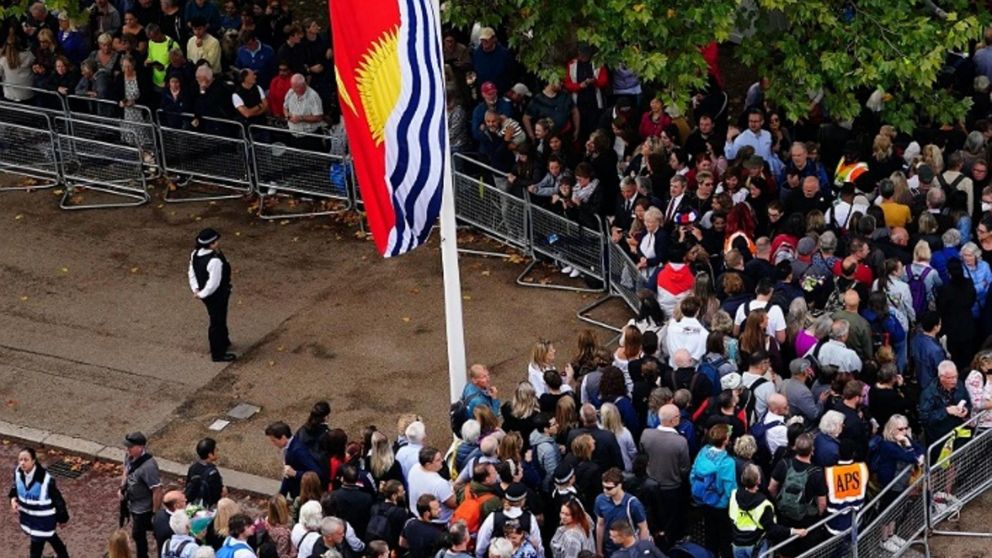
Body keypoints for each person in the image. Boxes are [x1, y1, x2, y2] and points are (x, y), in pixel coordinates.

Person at [729, 464, 802, 558]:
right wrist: (794, 531)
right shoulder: (763, 503)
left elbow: (732, 517)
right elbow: (772, 529)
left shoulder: (734, 494)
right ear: (758, 481)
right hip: (756, 546)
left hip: (737, 544)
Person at [8, 447, 70, 558]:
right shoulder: (18, 473)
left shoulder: (46, 480)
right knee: (51, 537)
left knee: (36, 547)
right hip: (29, 519)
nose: (22, 463)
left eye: (25, 460)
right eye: (20, 460)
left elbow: (58, 500)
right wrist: (13, 499)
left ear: (33, 461)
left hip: (43, 521)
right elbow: (15, 488)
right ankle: (63, 555)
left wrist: (62, 518)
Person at [188, 228, 236, 362]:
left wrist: (196, 289)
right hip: (217, 295)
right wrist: (202, 294)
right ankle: (218, 353)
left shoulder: (195, 254)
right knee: (217, 321)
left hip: (207, 293)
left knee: (219, 318)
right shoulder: (214, 261)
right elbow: (213, 283)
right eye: (216, 241)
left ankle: (224, 341)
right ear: (211, 244)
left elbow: (191, 272)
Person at [690, 424, 737, 557]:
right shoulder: (728, 462)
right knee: (725, 537)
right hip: (720, 505)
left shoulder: (703, 451)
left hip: (703, 500)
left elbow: (693, 473)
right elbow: (730, 489)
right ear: (725, 440)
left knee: (709, 533)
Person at [121, 432, 163, 558]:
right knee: (140, 532)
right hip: (133, 504)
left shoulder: (149, 466)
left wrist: (155, 513)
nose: (127, 449)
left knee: (139, 534)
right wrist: (121, 487)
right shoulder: (129, 456)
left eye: (130, 447)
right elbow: (126, 470)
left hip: (143, 508)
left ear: (140, 447)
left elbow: (157, 490)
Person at [265, 421, 324, 498]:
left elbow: (317, 474)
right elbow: (287, 474)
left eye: (274, 440)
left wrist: (295, 473)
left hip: (303, 494)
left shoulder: (298, 451)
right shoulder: (289, 447)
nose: (273, 443)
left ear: (283, 438)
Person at [406, 447, 456, 524]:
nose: (442, 461)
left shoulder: (414, 468)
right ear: (428, 465)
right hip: (439, 521)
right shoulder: (440, 484)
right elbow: (453, 504)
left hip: (416, 514)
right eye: (438, 460)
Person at [185, 437, 224, 508]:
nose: (217, 451)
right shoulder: (213, 473)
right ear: (210, 455)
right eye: (216, 450)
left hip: (194, 502)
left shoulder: (193, 467)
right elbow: (217, 494)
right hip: (208, 505)